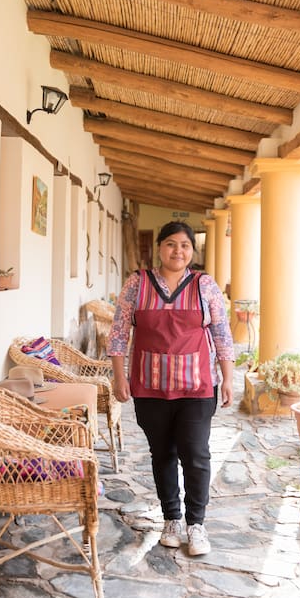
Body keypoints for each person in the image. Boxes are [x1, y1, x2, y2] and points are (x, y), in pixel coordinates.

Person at [107, 221, 234, 556]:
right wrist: (119, 377)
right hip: (150, 387)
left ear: (192, 251)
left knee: (196, 454)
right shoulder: (137, 283)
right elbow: (119, 333)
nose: (178, 251)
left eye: (185, 246)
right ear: (159, 248)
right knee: (162, 454)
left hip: (197, 386)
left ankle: (196, 524)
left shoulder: (204, 285)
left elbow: (221, 332)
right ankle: (172, 519)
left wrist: (229, 377)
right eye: (171, 244)